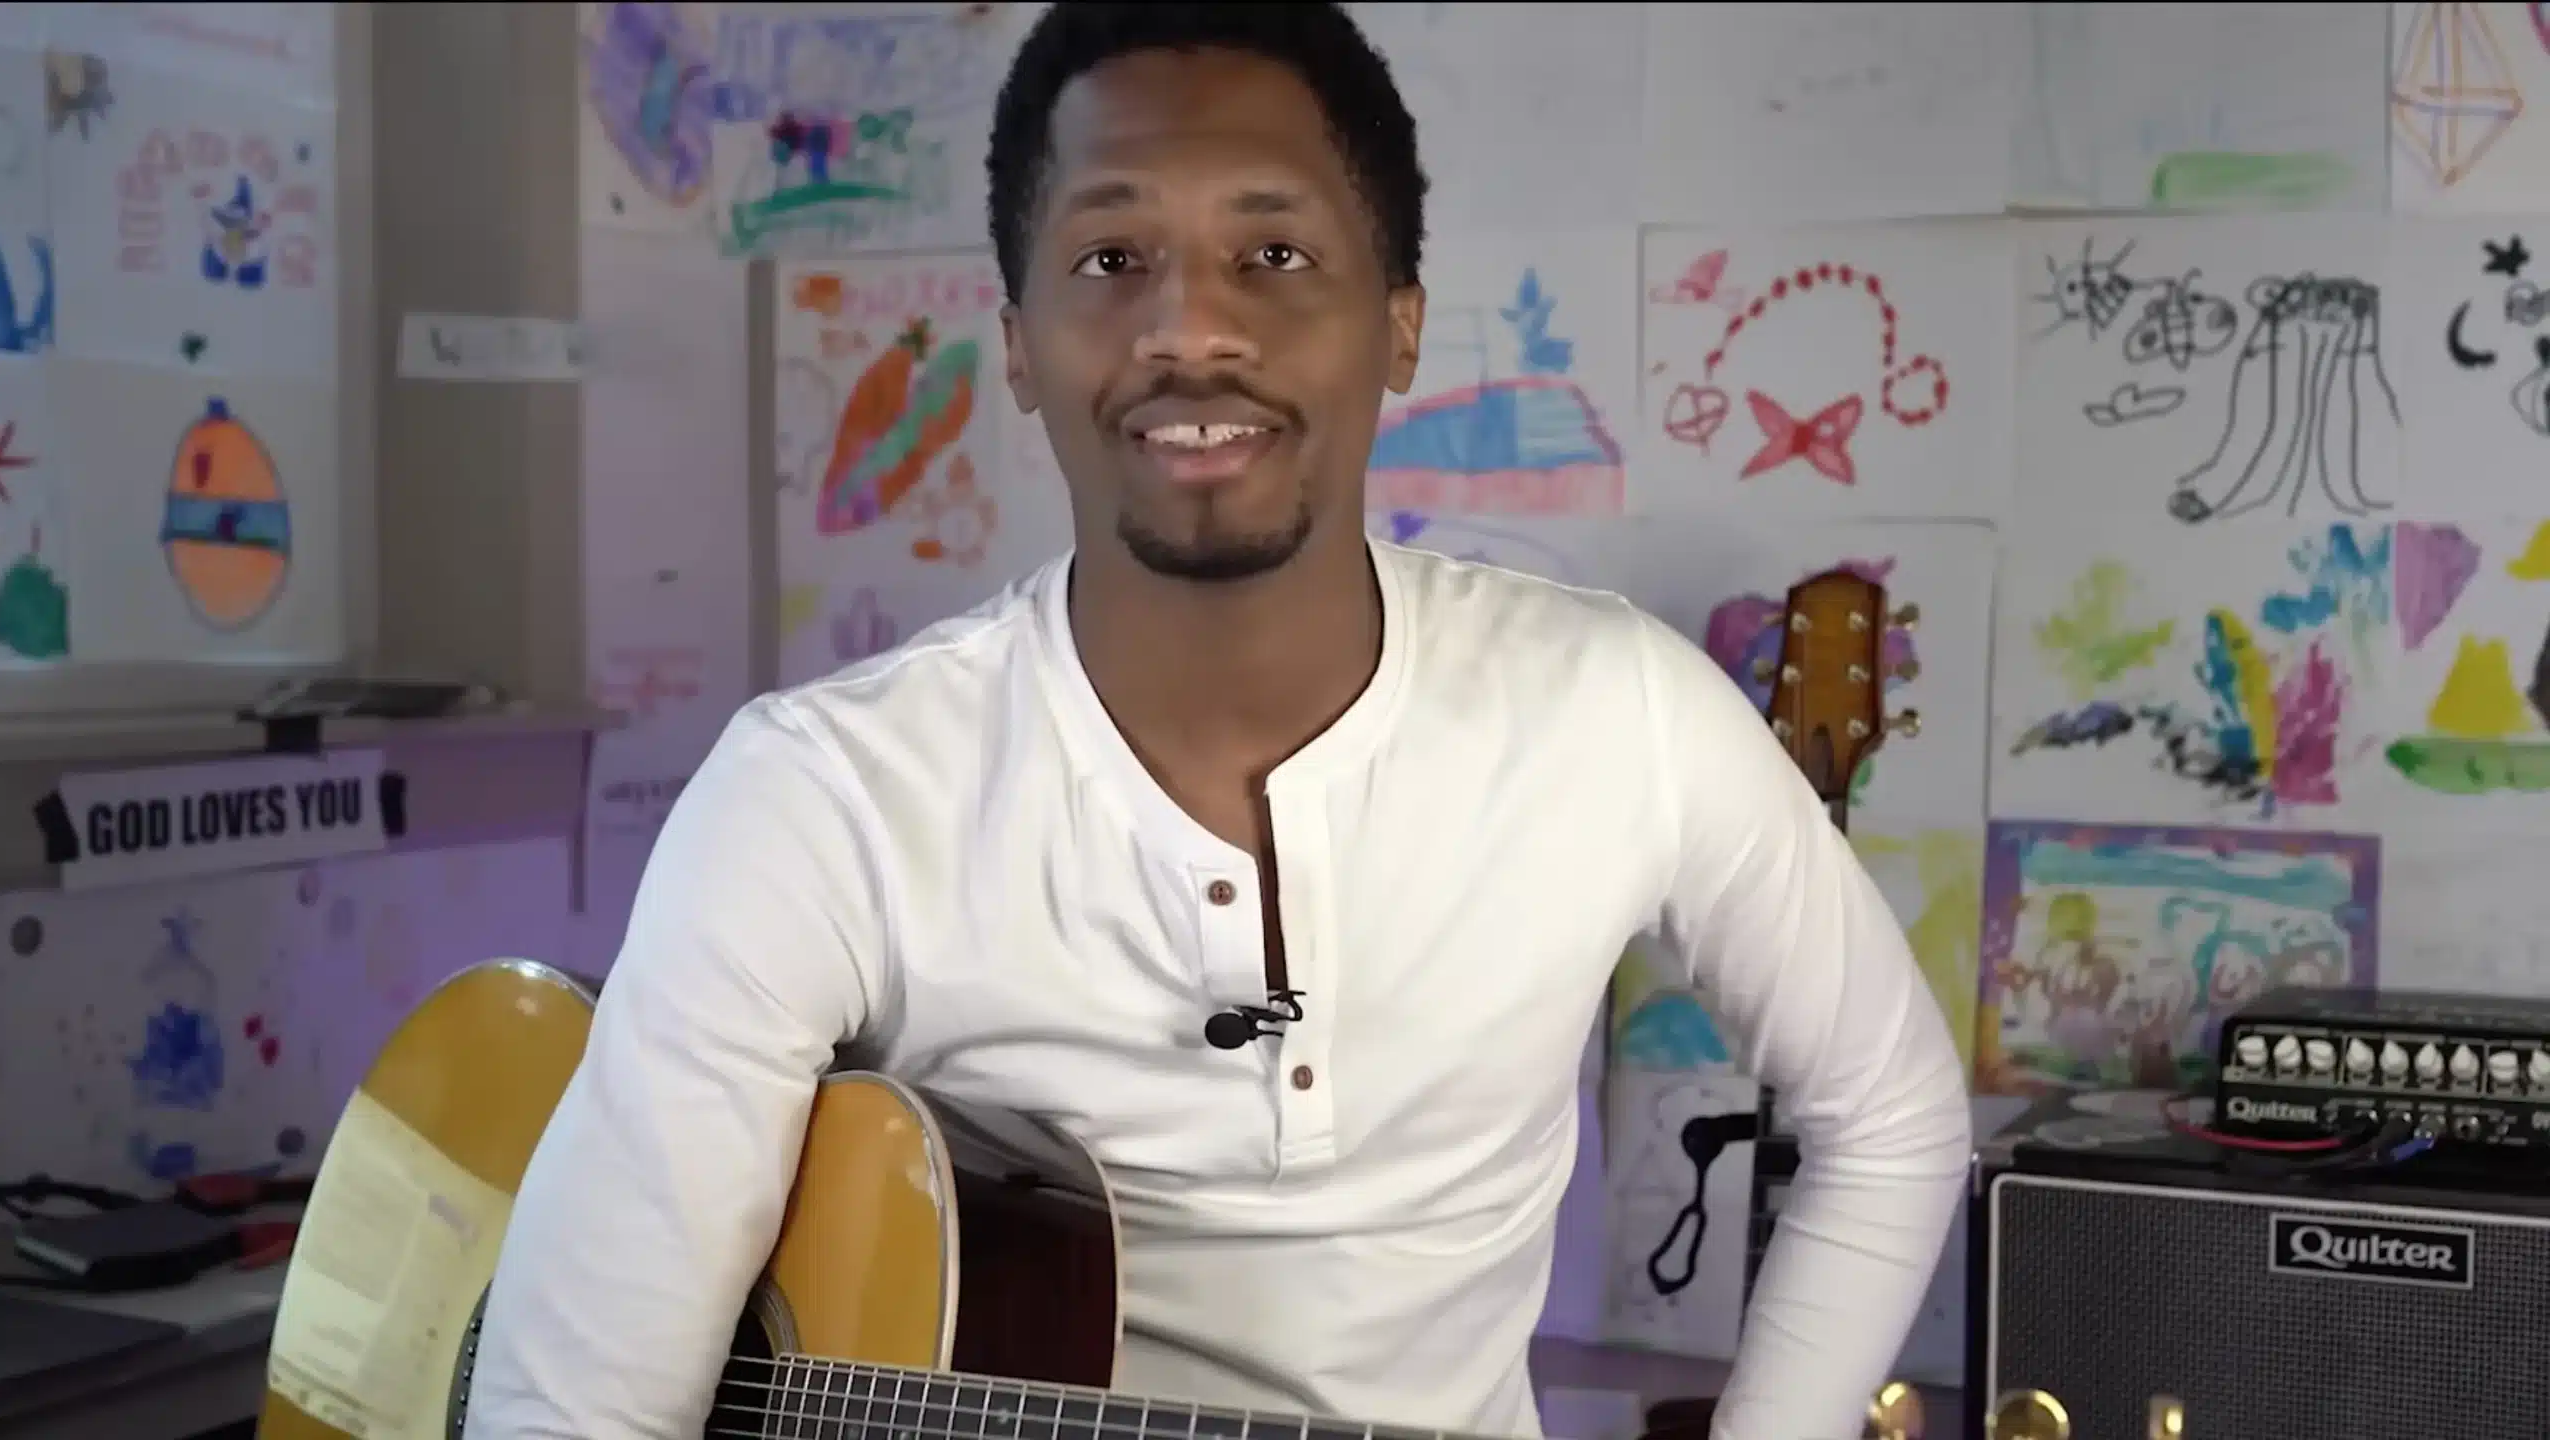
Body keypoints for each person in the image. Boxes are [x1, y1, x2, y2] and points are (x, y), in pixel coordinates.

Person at [465, 6, 1971, 1437]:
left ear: (1398, 329)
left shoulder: (1617, 709)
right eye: (1114, 255)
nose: (1191, 328)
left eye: (1273, 251)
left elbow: (1892, 1114)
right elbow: (579, 1392)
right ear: (1014, 338)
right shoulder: (817, 795)